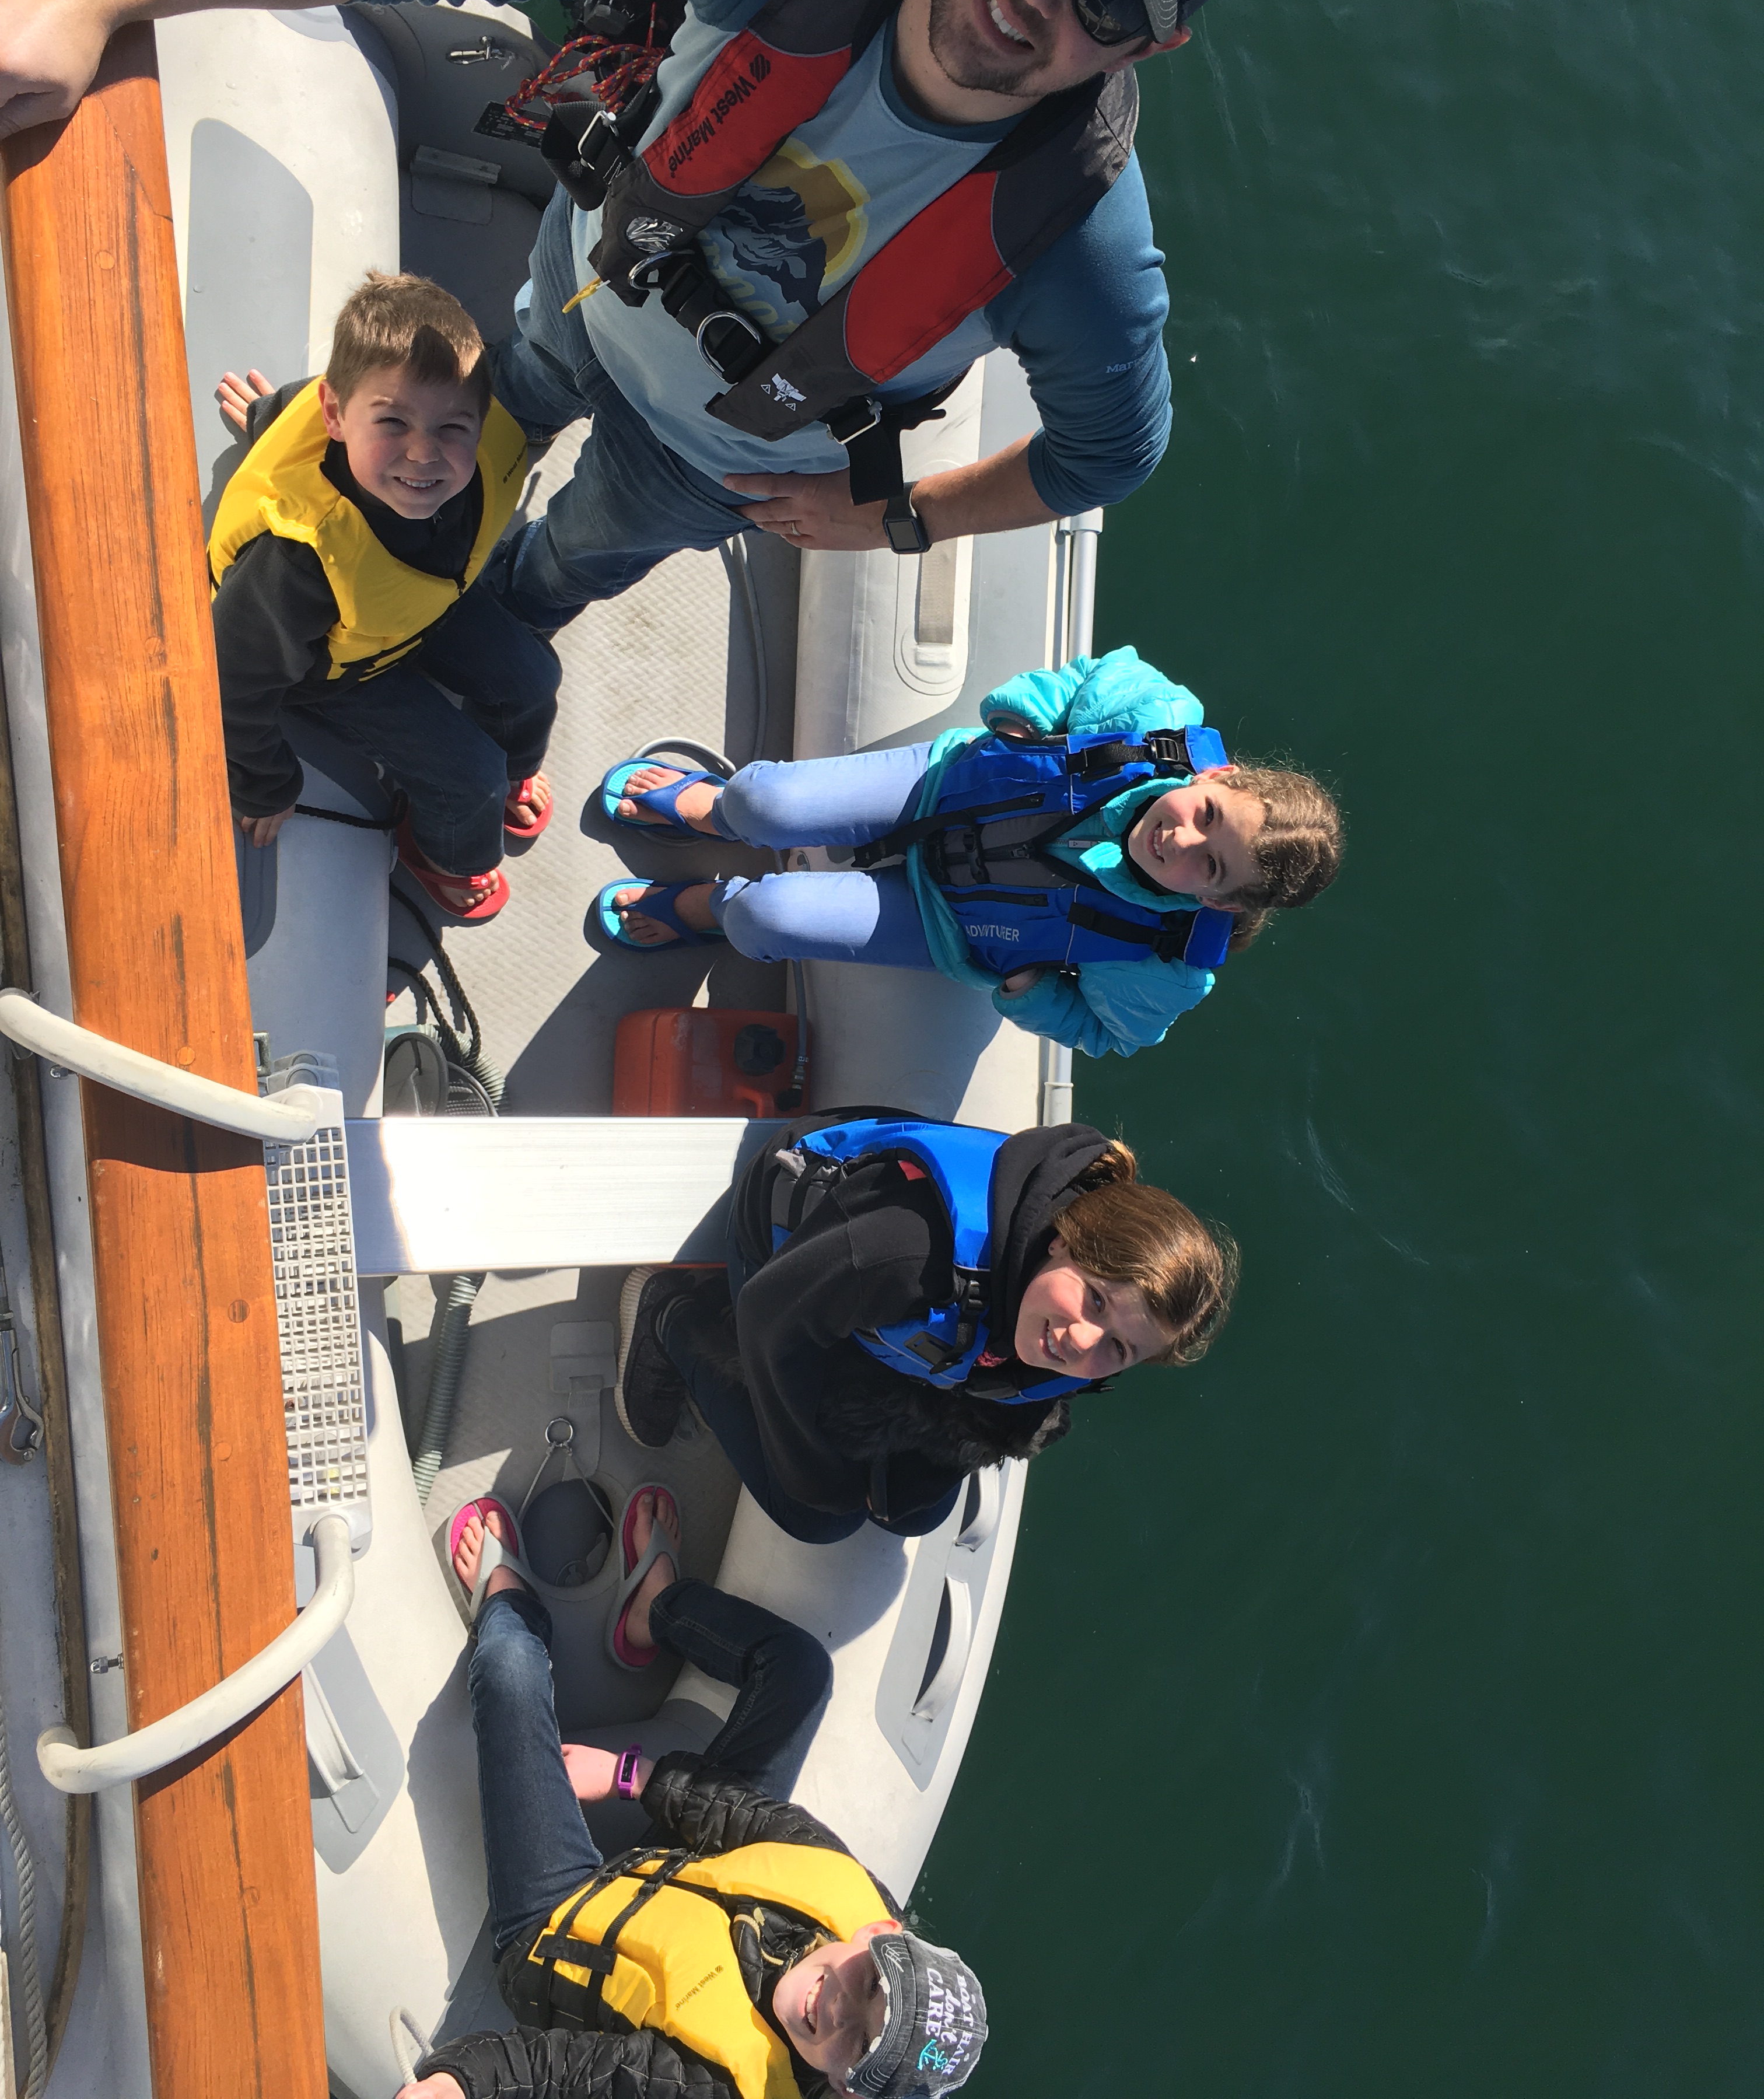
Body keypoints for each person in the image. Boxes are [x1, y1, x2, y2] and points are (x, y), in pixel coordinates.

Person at [0, 0, 1285, 627]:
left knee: (565, 562)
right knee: (509, 386)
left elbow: (1111, 451)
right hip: (585, 276)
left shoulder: (1080, 243)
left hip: (708, 461)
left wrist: (896, 521)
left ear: (1153, 47)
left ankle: (493, 620)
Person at [396, 1488, 988, 2099]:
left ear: (847, 2091)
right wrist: (630, 1776)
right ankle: (656, 1609)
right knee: (800, 1672)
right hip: (671, 1865)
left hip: (557, 1924)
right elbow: (745, 1817)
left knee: (511, 1668)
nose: (838, 2010)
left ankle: (508, 1603)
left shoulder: (716, 2086)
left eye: (861, 2047)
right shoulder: (852, 1895)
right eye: (870, 1985)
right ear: (878, 1933)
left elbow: (565, 2071)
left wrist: (458, 2082)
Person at [594, 645, 1341, 1058]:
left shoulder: (1167, 967)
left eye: (1209, 865)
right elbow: (1081, 678)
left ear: (1215, 902)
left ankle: (708, 909)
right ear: (1216, 776)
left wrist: (1032, 993)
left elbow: (1105, 1033)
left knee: (766, 918)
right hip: (942, 788)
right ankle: (714, 811)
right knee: (765, 804)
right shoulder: (1158, 715)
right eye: (1207, 815)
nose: (1181, 839)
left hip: (948, 924)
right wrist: (1020, 716)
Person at [614, 1112, 1238, 1542]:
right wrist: (815, 1474)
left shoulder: (1064, 1324)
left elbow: (1009, 1391)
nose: (1081, 1341)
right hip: (788, 1253)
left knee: (913, 1512)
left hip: (901, 1315)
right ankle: (672, 1317)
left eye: (1120, 1347)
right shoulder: (904, 1253)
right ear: (1062, 1242)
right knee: (820, 1515)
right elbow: (766, 1319)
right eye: (1096, 1300)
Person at [209, 272, 558, 919]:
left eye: (454, 427)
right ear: (335, 416)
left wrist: (267, 414)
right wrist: (264, 785)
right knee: (471, 781)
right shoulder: (298, 563)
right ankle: (446, 853)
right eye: (392, 421)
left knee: (535, 677)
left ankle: (516, 763)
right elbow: (232, 681)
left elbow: (303, 402)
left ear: (481, 421)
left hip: (416, 606)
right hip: (338, 671)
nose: (424, 454)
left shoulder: (434, 451)